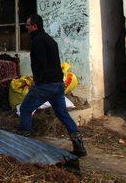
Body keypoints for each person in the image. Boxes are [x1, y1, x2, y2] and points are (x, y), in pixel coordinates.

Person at [16, 13, 87, 157]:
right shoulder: (50, 40)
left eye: (27, 25)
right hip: (58, 85)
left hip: (45, 85)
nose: (26, 28)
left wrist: (37, 80)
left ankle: (24, 144)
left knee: (25, 109)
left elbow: (41, 64)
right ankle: (79, 146)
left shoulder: (37, 41)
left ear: (34, 26)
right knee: (62, 113)